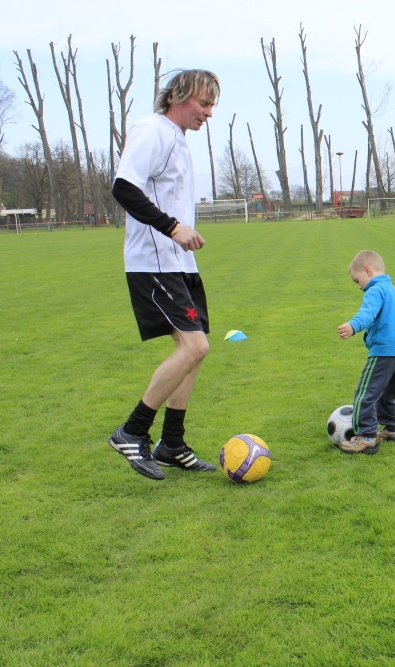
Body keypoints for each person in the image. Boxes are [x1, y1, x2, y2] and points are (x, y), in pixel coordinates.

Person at [107, 69, 221, 480]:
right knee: (195, 348)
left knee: (194, 352)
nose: (208, 113)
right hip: (154, 263)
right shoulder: (152, 130)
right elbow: (123, 186)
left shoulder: (177, 140)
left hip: (179, 264)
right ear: (180, 96)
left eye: (212, 106)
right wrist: (173, 227)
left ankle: (172, 443)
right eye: (204, 104)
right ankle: (132, 430)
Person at [336, 250, 395, 455]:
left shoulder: (375, 291)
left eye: (357, 281)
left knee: (365, 394)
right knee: (388, 393)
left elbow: (368, 313)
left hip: (383, 352)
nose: (359, 286)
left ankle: (366, 437)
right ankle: (392, 429)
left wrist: (353, 326)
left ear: (367, 270)